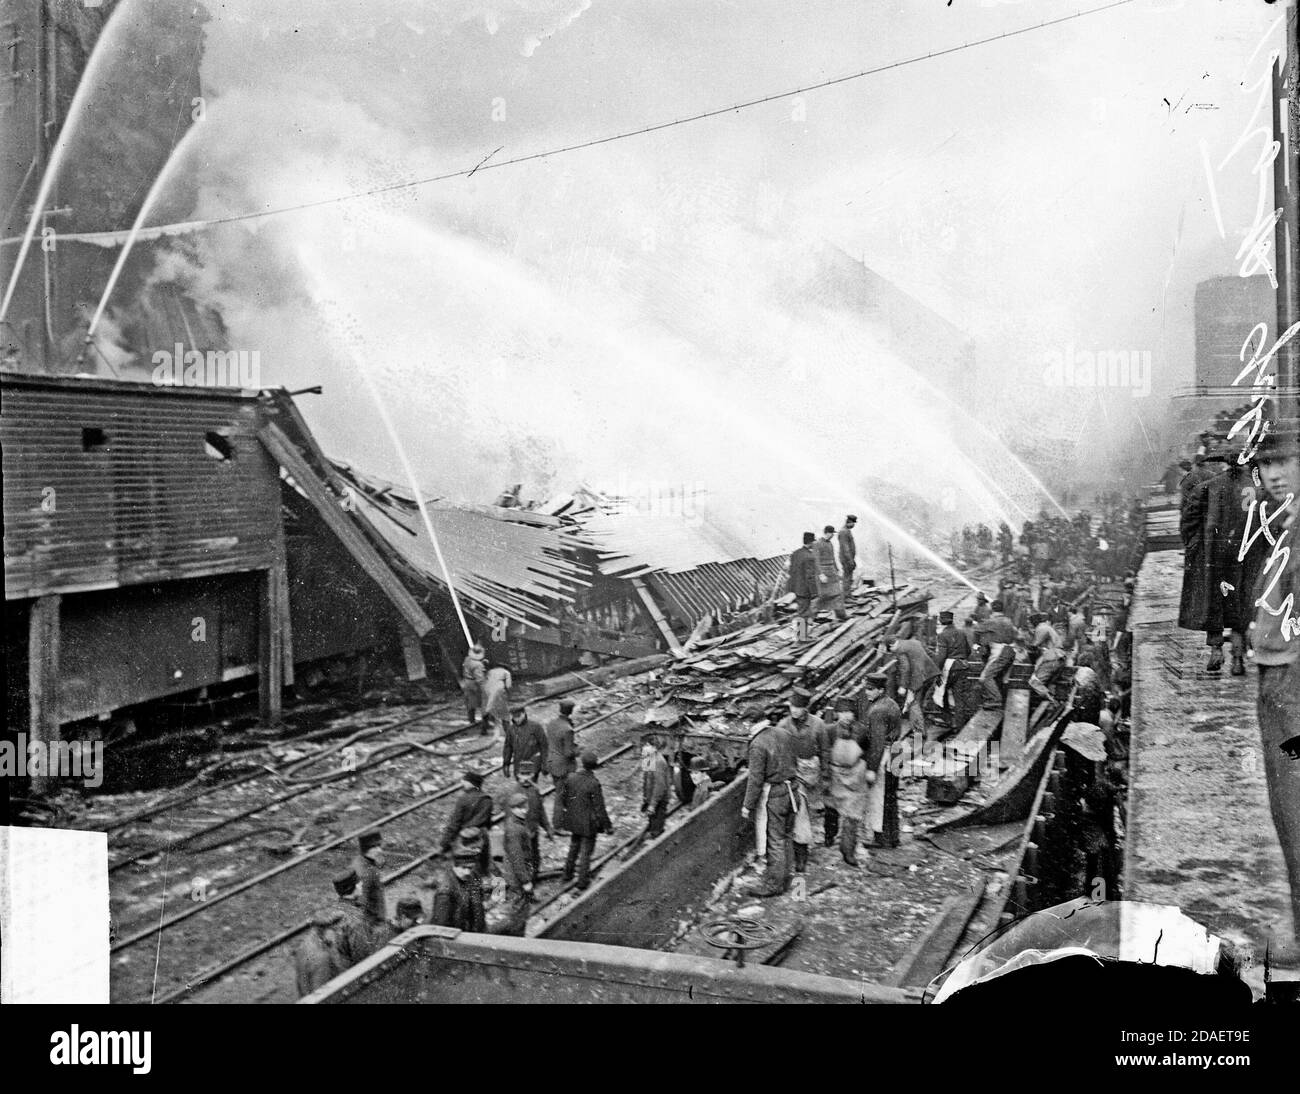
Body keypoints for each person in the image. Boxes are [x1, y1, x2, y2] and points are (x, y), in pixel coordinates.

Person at [1251, 424, 1300, 952]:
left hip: (1290, 687)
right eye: (1266, 465)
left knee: (1294, 811)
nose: (1275, 473)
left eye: (1285, 461)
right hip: (1281, 680)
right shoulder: (1288, 525)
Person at [741, 704, 798, 898]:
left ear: (751, 723)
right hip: (793, 789)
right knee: (788, 835)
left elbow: (755, 779)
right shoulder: (783, 733)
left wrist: (747, 805)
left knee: (775, 840)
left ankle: (773, 884)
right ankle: (786, 876)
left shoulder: (757, 744)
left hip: (776, 795)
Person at [779, 688, 832, 871]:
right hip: (791, 773)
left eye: (798, 707)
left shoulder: (818, 725)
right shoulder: (783, 725)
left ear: (805, 708)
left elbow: (825, 751)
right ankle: (800, 854)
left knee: (805, 811)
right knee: (799, 811)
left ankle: (802, 849)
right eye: (792, 707)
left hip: (811, 771)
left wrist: (825, 775)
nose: (794, 710)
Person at [559, 751, 613, 891]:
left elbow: (564, 799)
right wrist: (608, 826)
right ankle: (582, 882)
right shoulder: (593, 783)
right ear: (594, 767)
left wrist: (571, 812)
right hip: (588, 824)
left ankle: (567, 874)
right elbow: (600, 808)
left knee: (573, 847)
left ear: (582, 763)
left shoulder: (570, 778)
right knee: (585, 853)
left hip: (573, 821)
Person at [860, 673, 903, 849]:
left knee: (879, 797)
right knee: (891, 797)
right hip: (896, 752)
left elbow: (877, 742)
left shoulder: (878, 710)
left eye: (870, 689)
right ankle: (892, 837)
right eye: (866, 689)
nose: (867, 693)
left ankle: (881, 838)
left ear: (880, 690)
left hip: (884, 754)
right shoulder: (890, 703)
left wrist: (871, 768)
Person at [828, 698, 869, 865]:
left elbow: (869, 751)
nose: (845, 716)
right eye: (842, 713)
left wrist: (868, 770)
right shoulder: (830, 731)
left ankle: (848, 850)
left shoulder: (862, 731)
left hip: (855, 775)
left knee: (852, 815)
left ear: (854, 714)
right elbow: (824, 751)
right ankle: (828, 837)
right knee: (831, 808)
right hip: (835, 774)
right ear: (836, 714)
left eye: (849, 713)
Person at [426, 829, 488, 932]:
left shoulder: (473, 876)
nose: (467, 872)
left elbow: (479, 900)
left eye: (470, 868)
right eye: (463, 868)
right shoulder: (445, 892)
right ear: (454, 866)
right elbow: (441, 926)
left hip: (474, 931)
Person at [885, 632, 941, 743]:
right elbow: (931, 654)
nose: (892, 653)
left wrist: (903, 686)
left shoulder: (899, 651)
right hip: (930, 674)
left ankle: (919, 732)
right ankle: (919, 723)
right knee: (919, 701)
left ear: (891, 646)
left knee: (913, 704)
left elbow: (905, 669)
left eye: (890, 650)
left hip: (918, 678)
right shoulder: (915, 641)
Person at [440, 770, 494, 874]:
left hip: (466, 837)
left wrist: (444, 843)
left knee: (465, 867)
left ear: (470, 783)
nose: (462, 783)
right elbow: (488, 822)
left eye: (464, 781)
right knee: (483, 865)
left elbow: (454, 823)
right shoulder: (487, 799)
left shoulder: (463, 799)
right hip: (482, 835)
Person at [496, 793, 535, 935]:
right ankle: (517, 936)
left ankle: (516, 931)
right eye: (520, 808)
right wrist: (525, 880)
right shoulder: (515, 829)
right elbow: (516, 856)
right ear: (513, 809)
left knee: (519, 904)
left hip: (515, 869)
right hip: (517, 872)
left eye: (525, 807)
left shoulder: (514, 822)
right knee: (519, 906)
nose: (524, 810)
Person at [933, 609, 973, 733]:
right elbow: (968, 651)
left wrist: (936, 671)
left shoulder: (942, 635)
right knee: (959, 699)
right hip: (962, 667)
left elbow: (941, 656)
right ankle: (960, 727)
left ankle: (948, 720)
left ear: (941, 621)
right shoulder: (961, 632)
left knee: (940, 693)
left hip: (949, 668)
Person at [514, 760, 553, 885]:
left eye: (528, 774)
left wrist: (548, 828)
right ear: (518, 775)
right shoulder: (514, 792)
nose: (525, 778)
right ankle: (525, 888)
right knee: (525, 861)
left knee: (535, 858)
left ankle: (533, 882)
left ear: (532, 774)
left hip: (533, 831)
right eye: (522, 774)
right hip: (522, 834)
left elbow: (540, 810)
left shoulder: (534, 790)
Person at [331, 869, 377, 968]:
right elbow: (362, 955)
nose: (361, 885)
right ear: (353, 887)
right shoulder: (356, 920)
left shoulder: (334, 908)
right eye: (359, 883)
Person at [295, 907, 345, 998]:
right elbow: (320, 996)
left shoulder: (305, 943)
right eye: (337, 930)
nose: (339, 933)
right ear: (328, 930)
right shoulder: (322, 958)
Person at [545, 698, 579, 828]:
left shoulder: (551, 723)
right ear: (570, 711)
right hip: (563, 767)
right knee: (560, 797)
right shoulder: (568, 729)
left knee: (561, 794)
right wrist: (578, 751)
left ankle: (565, 820)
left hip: (552, 762)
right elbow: (568, 753)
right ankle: (558, 825)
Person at [502, 703, 548, 780]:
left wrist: (545, 763)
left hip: (533, 764)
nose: (517, 719)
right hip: (518, 764)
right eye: (514, 717)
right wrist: (506, 764)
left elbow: (544, 746)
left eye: (519, 716)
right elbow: (508, 748)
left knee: (531, 785)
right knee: (520, 784)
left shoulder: (536, 727)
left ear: (524, 713)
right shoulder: (511, 730)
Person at [350, 830, 386, 928]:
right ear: (366, 849)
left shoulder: (363, 861)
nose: (380, 850)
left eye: (379, 846)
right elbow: (360, 904)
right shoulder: (364, 872)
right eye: (374, 847)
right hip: (373, 922)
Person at [787, 531, 819, 640]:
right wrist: (814, 592)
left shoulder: (796, 553)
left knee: (801, 611)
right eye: (813, 541)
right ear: (810, 542)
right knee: (804, 612)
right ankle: (802, 637)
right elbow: (810, 577)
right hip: (805, 589)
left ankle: (801, 635)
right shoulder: (809, 557)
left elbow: (791, 571)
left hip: (796, 587)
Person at [812, 525, 848, 622]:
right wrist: (821, 574)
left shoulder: (830, 544)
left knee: (837, 593)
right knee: (822, 596)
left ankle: (841, 615)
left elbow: (833, 558)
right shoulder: (817, 544)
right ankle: (810, 616)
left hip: (831, 571)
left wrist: (837, 570)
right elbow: (816, 560)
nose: (833, 535)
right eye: (832, 533)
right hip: (823, 571)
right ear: (827, 533)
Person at [640, 734, 673, 838]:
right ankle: (653, 832)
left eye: (647, 745)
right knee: (652, 821)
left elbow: (660, 786)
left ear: (654, 748)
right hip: (651, 797)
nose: (644, 748)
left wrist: (652, 805)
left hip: (660, 799)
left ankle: (657, 836)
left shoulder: (659, 762)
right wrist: (646, 798)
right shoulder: (648, 757)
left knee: (657, 826)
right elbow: (646, 779)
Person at [481, 663, 514, 738]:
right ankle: (508, 732)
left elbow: (484, 681)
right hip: (498, 690)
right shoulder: (506, 672)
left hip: (486, 689)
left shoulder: (490, 671)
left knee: (487, 709)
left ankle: (484, 730)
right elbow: (508, 686)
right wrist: (509, 695)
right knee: (504, 712)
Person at [461, 642, 487, 729]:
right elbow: (479, 678)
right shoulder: (478, 665)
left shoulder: (467, 659)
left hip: (467, 682)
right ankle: (485, 725)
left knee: (470, 703)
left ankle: (471, 720)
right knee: (484, 703)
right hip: (475, 685)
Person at [837, 515, 858, 593]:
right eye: (853, 523)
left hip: (848, 558)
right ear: (849, 522)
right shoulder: (844, 532)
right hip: (846, 559)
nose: (853, 525)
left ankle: (848, 595)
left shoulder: (846, 531)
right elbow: (845, 548)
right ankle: (846, 597)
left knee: (849, 577)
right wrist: (850, 560)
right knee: (847, 577)